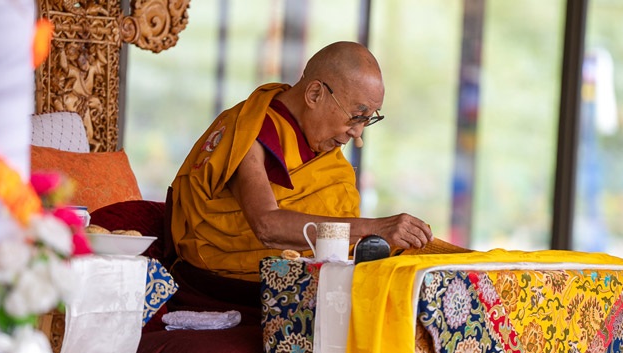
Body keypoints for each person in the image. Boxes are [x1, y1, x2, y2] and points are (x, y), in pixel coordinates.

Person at [169, 40, 433, 283]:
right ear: (315, 94)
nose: (358, 134)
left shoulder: (332, 165)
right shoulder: (249, 129)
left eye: (368, 119)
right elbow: (266, 225)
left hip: (306, 286)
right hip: (225, 285)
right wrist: (375, 228)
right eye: (356, 116)